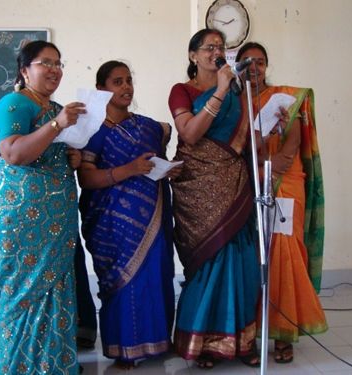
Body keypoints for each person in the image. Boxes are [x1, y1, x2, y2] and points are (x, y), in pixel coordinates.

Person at [0, 40, 86, 375]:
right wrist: (57, 125)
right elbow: (14, 153)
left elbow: (47, 153)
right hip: (22, 223)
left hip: (55, 225)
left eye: (59, 63)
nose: (55, 70)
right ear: (25, 69)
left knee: (56, 294)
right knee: (23, 299)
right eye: (46, 63)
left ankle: (54, 366)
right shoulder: (13, 104)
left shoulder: (53, 108)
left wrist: (72, 157)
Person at [77, 60, 180, 369]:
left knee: (155, 276)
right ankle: (123, 348)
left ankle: (158, 343)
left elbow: (157, 161)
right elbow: (86, 178)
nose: (125, 87)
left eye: (128, 81)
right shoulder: (91, 130)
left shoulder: (150, 127)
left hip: (154, 216)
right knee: (124, 282)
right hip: (112, 223)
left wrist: (168, 169)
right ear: (101, 89)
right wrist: (129, 169)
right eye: (117, 82)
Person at [168, 28, 261, 369]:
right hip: (197, 187)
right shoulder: (182, 91)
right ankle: (204, 343)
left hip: (234, 182)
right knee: (209, 260)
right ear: (193, 55)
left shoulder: (239, 92)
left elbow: (247, 139)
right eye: (208, 48)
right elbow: (190, 134)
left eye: (220, 47)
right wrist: (220, 90)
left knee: (242, 258)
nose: (216, 53)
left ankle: (242, 341)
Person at [236, 42, 327, 363]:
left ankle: (284, 334)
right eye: (248, 62)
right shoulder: (236, 104)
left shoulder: (288, 97)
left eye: (260, 62)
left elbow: (292, 145)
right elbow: (245, 149)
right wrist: (261, 152)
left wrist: (273, 165)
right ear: (238, 68)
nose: (255, 68)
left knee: (285, 255)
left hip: (286, 183)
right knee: (257, 258)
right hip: (252, 183)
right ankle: (256, 330)